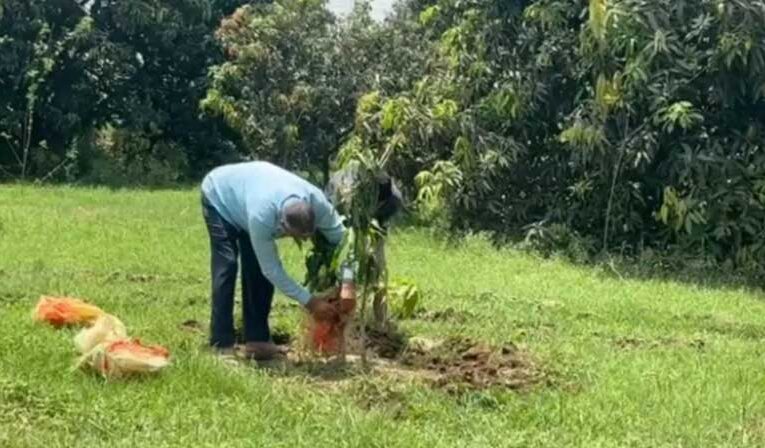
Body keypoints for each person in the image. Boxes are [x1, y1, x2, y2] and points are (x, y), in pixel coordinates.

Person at [200, 161, 344, 360]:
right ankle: (221, 343)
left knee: (256, 271)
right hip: (220, 197)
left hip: (249, 195)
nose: (303, 240)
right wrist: (309, 302)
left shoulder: (318, 203)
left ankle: (257, 340)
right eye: (295, 235)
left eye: (307, 235)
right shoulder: (262, 217)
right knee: (228, 265)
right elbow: (272, 269)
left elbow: (343, 239)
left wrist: (348, 283)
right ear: (281, 223)